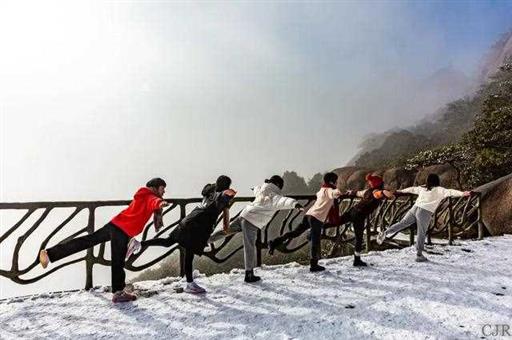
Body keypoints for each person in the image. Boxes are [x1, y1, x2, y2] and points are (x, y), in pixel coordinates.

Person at [39, 178, 168, 303]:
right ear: (154, 188)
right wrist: (160, 203)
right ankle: (118, 293)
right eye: (162, 189)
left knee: (87, 241)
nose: (164, 192)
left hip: (115, 225)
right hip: (122, 230)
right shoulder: (149, 195)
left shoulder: (143, 195)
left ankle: (49, 254)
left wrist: (158, 203)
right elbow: (154, 201)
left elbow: (152, 202)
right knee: (118, 261)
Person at [126, 175, 236, 294]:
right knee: (189, 254)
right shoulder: (221, 196)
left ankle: (138, 243)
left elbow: (207, 188)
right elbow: (228, 194)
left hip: (187, 221)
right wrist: (230, 193)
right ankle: (190, 284)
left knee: (168, 242)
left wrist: (219, 188)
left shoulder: (209, 191)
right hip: (197, 227)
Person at [209, 175, 303, 283]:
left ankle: (203, 240)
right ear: (278, 185)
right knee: (249, 247)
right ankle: (249, 274)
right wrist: (296, 205)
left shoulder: (263, 189)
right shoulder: (275, 195)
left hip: (244, 215)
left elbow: (256, 189)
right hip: (252, 221)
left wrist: (254, 188)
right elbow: (285, 201)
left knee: (224, 231)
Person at [377, 173, 471, 262]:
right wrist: (463, 193)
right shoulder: (440, 190)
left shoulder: (422, 188)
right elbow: (451, 192)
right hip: (425, 211)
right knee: (421, 232)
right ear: (437, 181)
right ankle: (419, 255)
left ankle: (385, 232)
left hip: (415, 208)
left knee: (402, 223)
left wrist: (400, 191)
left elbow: (412, 189)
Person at [267, 172, 343, 272]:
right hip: (316, 218)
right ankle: (313, 265)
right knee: (315, 241)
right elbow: (336, 194)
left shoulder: (321, 190)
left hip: (309, 215)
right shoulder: (329, 190)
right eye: (336, 181)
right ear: (332, 181)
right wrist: (339, 191)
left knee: (295, 233)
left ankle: (274, 242)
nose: (337, 183)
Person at [335, 174, 394, 266]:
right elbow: (386, 194)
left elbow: (357, 193)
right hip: (359, 215)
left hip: (353, 211)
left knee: (337, 222)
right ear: (379, 184)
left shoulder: (367, 191)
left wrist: (350, 193)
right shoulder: (376, 192)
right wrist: (386, 193)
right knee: (359, 238)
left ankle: (315, 228)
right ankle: (357, 260)